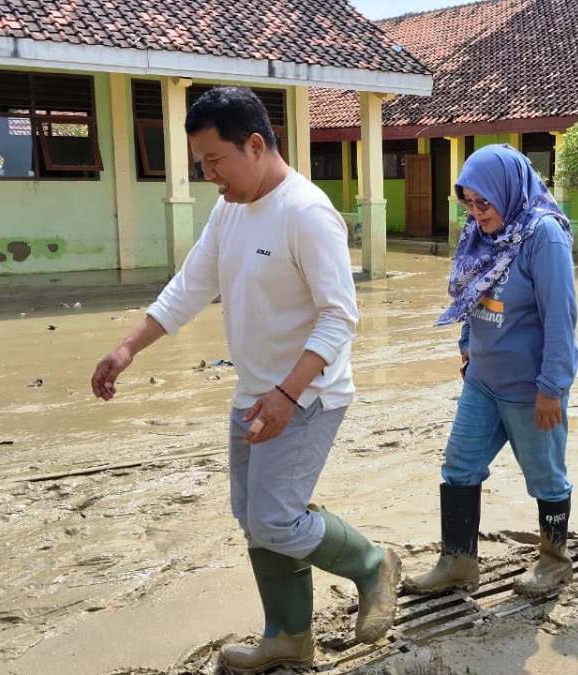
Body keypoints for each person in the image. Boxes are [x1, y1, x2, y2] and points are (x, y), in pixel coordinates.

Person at [89, 87, 400, 671]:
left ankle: (372, 563)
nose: (209, 175)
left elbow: (341, 318)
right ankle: (288, 635)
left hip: (309, 396)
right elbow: (191, 285)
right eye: (201, 163)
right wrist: (129, 346)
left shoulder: (307, 214)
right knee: (253, 518)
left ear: (255, 145)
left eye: (214, 161)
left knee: (277, 518)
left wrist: (287, 394)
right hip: (254, 390)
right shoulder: (229, 208)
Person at [404, 144, 578, 598]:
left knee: (545, 477)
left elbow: (562, 318)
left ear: (509, 190)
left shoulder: (543, 236)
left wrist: (552, 388)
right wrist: (467, 349)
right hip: (482, 380)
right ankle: (458, 562)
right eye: (469, 203)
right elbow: (471, 294)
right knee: (459, 466)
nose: (477, 213)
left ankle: (555, 560)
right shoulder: (480, 232)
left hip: (530, 387)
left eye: (485, 203)